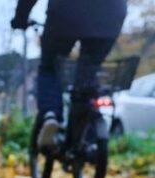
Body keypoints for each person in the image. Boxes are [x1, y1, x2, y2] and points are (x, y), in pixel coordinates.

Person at [11, 0, 127, 149]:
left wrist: (20, 18)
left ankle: (51, 114)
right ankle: (84, 134)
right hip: (110, 14)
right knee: (88, 73)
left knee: (50, 67)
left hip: (65, 12)